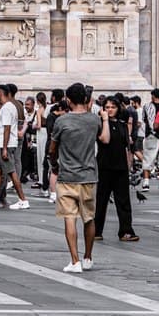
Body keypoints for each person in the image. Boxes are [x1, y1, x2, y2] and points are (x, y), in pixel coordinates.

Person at [48, 82, 103, 272]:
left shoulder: (61, 121)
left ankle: (75, 261)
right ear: (86, 99)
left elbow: (52, 149)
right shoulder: (94, 120)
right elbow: (102, 139)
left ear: (68, 100)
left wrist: (54, 165)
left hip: (67, 176)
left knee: (70, 218)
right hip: (89, 175)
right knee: (89, 218)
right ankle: (88, 257)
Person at [95, 94, 138, 243]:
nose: (110, 110)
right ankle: (96, 231)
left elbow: (127, 147)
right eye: (107, 107)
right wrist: (105, 120)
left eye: (113, 107)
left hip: (120, 167)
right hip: (104, 166)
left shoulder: (122, 125)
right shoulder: (100, 124)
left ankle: (126, 231)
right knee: (101, 200)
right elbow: (105, 139)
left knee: (123, 201)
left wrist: (129, 166)